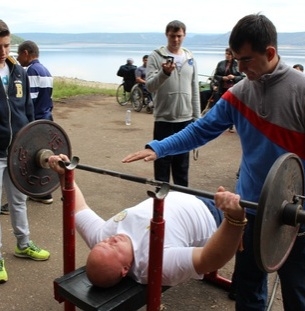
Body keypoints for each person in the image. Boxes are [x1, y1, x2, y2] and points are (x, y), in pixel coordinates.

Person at [122, 14, 305, 311]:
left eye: (246, 60)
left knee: (301, 295)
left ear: (269, 53)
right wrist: (159, 147)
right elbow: (201, 129)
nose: (239, 68)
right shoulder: (239, 93)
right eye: (236, 60)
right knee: (248, 290)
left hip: (295, 213)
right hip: (250, 207)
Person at [48, 153, 246, 288]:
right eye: (113, 247)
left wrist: (65, 175)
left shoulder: (103, 238)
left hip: (187, 195)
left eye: (104, 243)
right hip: (215, 216)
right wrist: (235, 220)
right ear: (125, 270)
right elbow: (208, 260)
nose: (111, 240)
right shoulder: (154, 264)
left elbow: (79, 209)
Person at [0, 20, 50, 284]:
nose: (3, 50)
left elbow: (28, 109)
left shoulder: (18, 70)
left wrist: (31, 143)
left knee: (18, 201)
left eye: (7, 45)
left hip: (17, 150)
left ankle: (23, 243)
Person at [146, 20, 200, 187]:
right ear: (166, 35)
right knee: (162, 164)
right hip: (164, 119)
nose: (176, 40)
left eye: (179, 36)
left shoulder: (189, 57)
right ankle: (160, 204)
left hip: (185, 120)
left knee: (182, 167)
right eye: (172, 36)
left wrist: (197, 119)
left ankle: (181, 204)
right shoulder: (156, 56)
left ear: (184, 35)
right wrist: (164, 73)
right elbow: (149, 86)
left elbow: (194, 89)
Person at [17, 40, 54, 204]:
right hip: (46, 119)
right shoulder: (45, 70)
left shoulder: (31, 71)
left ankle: (29, 193)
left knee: (27, 158)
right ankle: (44, 192)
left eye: (19, 55)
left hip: (35, 120)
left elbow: (29, 101)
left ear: (26, 53)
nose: (18, 59)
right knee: (41, 158)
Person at [214, 47, 244, 132]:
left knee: (232, 107)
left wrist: (234, 77)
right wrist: (222, 78)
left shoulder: (237, 64)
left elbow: (242, 77)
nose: (227, 56)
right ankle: (221, 123)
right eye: (226, 54)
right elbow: (216, 76)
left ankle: (231, 125)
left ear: (233, 55)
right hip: (222, 88)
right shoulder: (220, 63)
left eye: (229, 54)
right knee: (222, 106)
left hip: (233, 89)